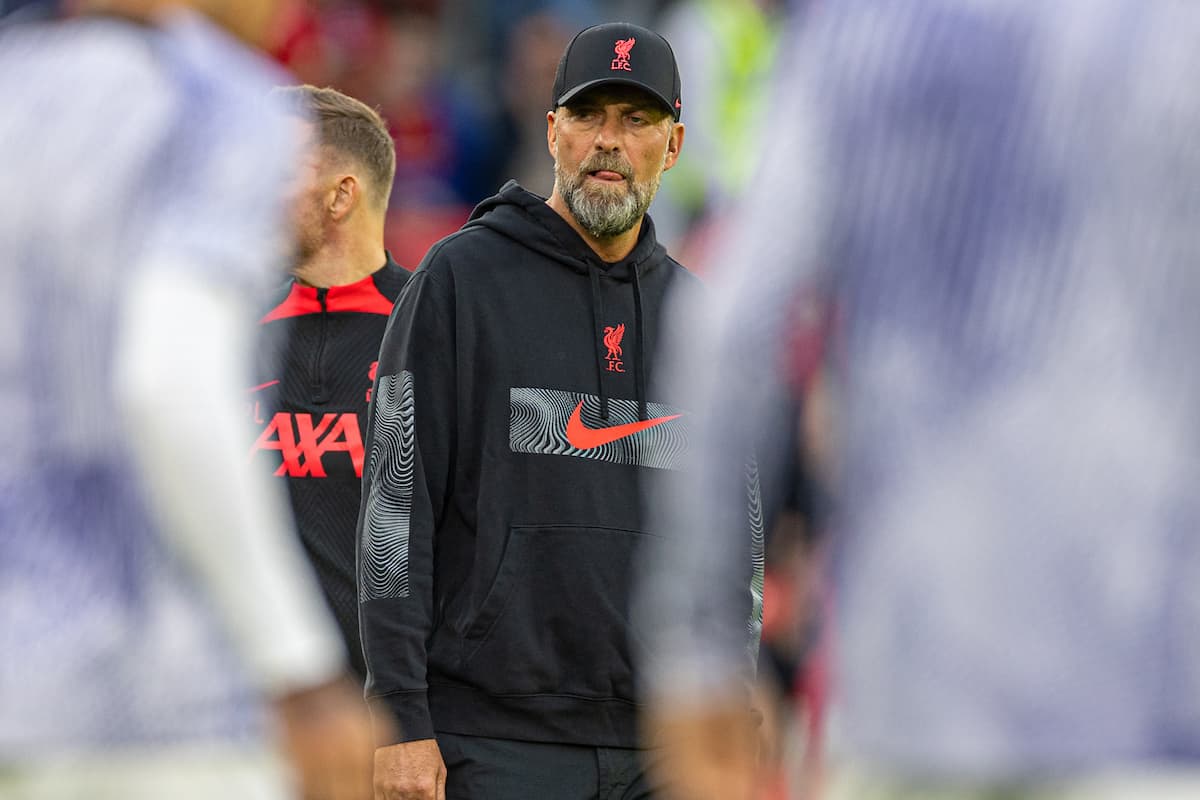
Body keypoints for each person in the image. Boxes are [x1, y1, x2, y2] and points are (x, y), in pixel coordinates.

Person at [641, 1, 1200, 799]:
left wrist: (695, 652)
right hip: (1154, 701)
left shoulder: (865, 33)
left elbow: (731, 333)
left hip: (920, 691)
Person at [358, 21, 763, 800]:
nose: (609, 142)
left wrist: (731, 697)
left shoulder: (698, 317)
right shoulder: (459, 281)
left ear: (674, 146)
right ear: (552, 131)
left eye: (636, 120)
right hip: (495, 742)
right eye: (589, 116)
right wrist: (401, 717)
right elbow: (393, 508)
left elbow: (733, 539)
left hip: (662, 746)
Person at [0, 2, 374, 798]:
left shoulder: (14, 86)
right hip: (164, 717)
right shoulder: (216, 102)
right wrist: (300, 670)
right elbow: (171, 381)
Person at [252, 83, 410, 684]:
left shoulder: (434, 329)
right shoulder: (232, 330)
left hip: (391, 711)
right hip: (256, 706)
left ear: (341, 195)